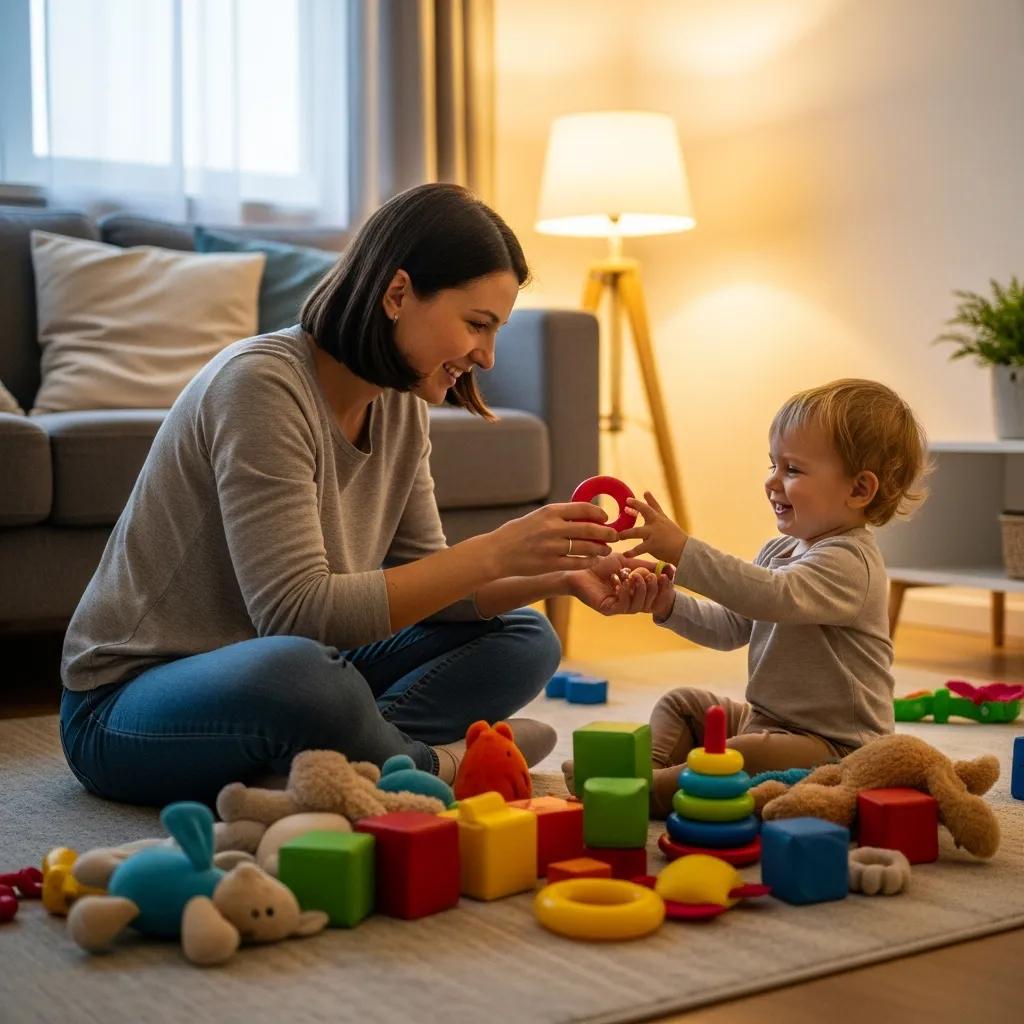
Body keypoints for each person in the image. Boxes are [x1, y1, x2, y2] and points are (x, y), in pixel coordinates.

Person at [59, 183, 653, 807]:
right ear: (398, 293)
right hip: (124, 708)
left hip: (287, 672)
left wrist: (559, 575)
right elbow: (295, 616)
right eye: (477, 324)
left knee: (525, 638)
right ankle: (429, 765)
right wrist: (495, 551)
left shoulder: (398, 405)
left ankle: (337, 761)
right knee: (304, 672)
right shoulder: (260, 385)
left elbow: (429, 582)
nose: (487, 354)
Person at [563, 378, 929, 817]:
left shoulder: (852, 563)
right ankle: (650, 776)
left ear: (858, 490)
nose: (772, 482)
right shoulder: (779, 550)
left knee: (741, 754)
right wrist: (667, 604)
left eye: (792, 470)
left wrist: (683, 549)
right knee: (683, 703)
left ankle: (635, 792)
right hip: (766, 720)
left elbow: (773, 596)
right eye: (773, 464)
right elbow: (732, 626)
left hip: (834, 746)